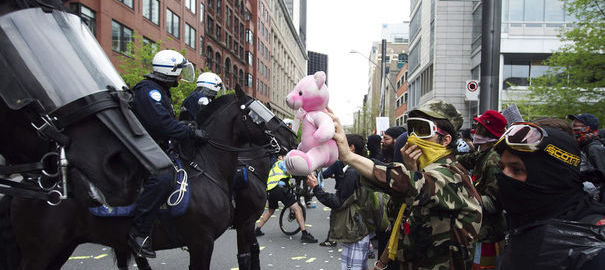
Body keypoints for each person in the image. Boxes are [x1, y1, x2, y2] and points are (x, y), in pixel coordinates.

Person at [327, 100, 482, 269]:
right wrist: (382, 263)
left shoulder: (452, 175)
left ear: (445, 140)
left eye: (423, 130)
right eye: (412, 130)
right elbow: (398, 221)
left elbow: (407, 182)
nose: (414, 138)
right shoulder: (421, 174)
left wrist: (349, 157)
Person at [494, 121, 605, 269]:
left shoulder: (593, 241)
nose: (504, 177)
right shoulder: (526, 220)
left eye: (517, 170)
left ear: (552, 176)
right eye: (502, 167)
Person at [129, 50, 208, 258]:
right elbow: (161, 124)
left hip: (155, 146)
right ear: (169, 71)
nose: (181, 77)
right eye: (179, 72)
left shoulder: (160, 91)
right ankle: (139, 232)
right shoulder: (149, 91)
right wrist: (190, 131)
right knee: (162, 178)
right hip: (141, 148)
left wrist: (185, 126)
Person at [307, 133, 372, 270]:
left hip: (354, 230)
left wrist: (316, 188)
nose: (335, 148)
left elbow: (338, 202)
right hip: (360, 227)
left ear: (351, 148)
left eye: (339, 144)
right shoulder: (361, 166)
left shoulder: (352, 172)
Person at [457, 110, 507, 269]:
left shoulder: (493, 160)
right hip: (480, 230)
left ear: (485, 131)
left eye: (478, 127)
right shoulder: (483, 154)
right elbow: (462, 161)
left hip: (488, 234)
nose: (474, 131)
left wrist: (463, 196)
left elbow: (494, 202)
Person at [255, 155, 318, 243]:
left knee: (270, 210)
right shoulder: (282, 162)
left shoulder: (274, 166)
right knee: (297, 209)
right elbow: (288, 172)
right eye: (285, 156)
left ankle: (257, 230)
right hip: (280, 189)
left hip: (271, 190)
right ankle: (304, 234)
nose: (287, 158)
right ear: (280, 157)